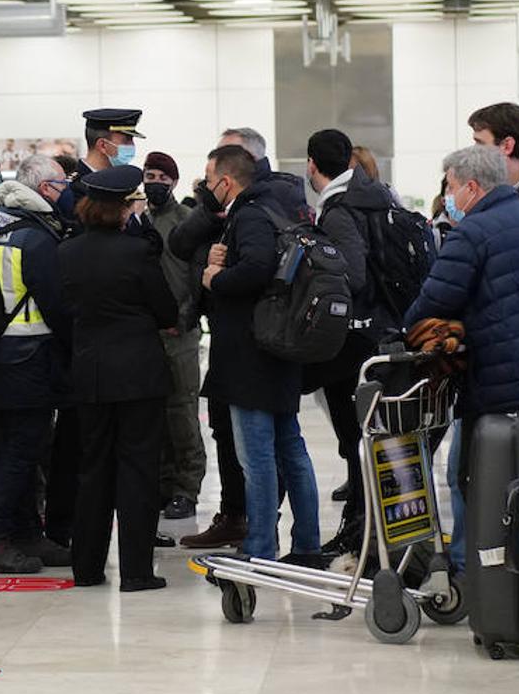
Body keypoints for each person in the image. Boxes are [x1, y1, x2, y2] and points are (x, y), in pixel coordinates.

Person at [403, 144, 519, 573]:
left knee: (478, 482)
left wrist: (403, 333)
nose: (449, 197)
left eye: (451, 187)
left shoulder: (472, 232)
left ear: (471, 187)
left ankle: (476, 573)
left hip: (495, 385)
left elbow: (435, 299)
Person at [173, 127, 311, 551]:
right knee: (290, 451)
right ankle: (306, 545)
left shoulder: (249, 213)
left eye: (210, 179)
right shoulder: (282, 204)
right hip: (276, 350)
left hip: (250, 357)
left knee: (258, 460)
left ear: (225, 181)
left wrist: (216, 276)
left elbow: (256, 268)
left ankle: (260, 549)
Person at [61, 165, 177, 591]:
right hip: (139, 373)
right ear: (123, 208)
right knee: (138, 469)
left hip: (89, 372)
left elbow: (62, 312)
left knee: (92, 469)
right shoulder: (137, 253)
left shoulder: (67, 252)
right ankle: (135, 571)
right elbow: (165, 310)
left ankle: (87, 569)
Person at [0, 154, 76, 572]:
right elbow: (57, 305)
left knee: (19, 450)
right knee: (21, 452)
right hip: (29, 357)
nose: (66, 191)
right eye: (61, 184)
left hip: (0, 356)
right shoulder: (35, 239)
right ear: (44, 189)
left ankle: (26, 534)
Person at [302, 129, 395, 554]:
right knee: (368, 440)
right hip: (382, 331)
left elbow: (353, 275)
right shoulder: (377, 197)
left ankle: (359, 530)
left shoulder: (338, 210)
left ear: (311, 164)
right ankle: (369, 529)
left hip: (353, 342)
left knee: (355, 441)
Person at [143, 150, 203, 523]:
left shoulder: (187, 222)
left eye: (162, 178)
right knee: (155, 414)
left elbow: (196, 282)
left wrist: (181, 319)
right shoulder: (138, 221)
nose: (155, 184)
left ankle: (187, 488)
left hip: (180, 333)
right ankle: (164, 484)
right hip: (147, 333)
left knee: (182, 412)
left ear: (175, 182)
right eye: (149, 176)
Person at [54, 108, 143, 224]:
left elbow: (152, 238)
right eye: (127, 140)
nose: (132, 146)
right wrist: (134, 217)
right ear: (103, 145)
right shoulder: (75, 190)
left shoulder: (124, 184)